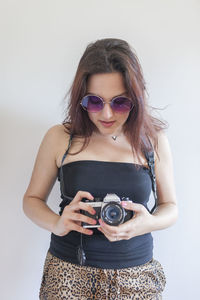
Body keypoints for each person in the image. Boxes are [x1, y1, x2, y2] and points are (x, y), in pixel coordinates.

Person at [23, 38, 178, 300]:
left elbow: (171, 207)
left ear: (136, 99)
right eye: (94, 102)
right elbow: (31, 200)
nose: (106, 114)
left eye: (120, 102)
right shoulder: (60, 137)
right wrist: (58, 224)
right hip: (68, 273)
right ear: (80, 99)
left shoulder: (153, 141)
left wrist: (146, 223)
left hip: (136, 277)